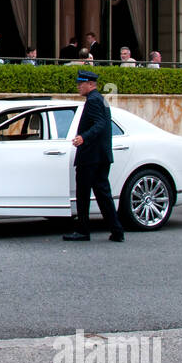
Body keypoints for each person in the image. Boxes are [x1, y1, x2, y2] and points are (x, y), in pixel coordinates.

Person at [63, 71, 123, 243]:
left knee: (83, 194)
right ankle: (116, 230)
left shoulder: (93, 100)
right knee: (103, 194)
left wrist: (84, 137)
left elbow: (100, 124)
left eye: (81, 84)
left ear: (90, 84)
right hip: (100, 156)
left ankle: (83, 230)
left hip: (91, 156)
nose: (78, 87)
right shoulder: (100, 99)